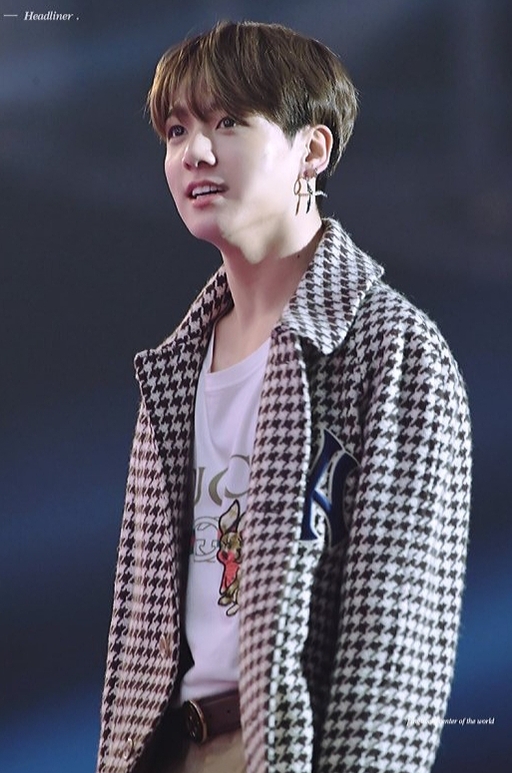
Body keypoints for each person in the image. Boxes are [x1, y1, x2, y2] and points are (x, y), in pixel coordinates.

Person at [95, 20, 471, 773]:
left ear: (313, 150)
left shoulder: (394, 352)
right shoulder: (173, 367)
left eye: (229, 122)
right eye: (177, 130)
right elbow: (138, 647)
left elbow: (393, 662)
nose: (195, 153)